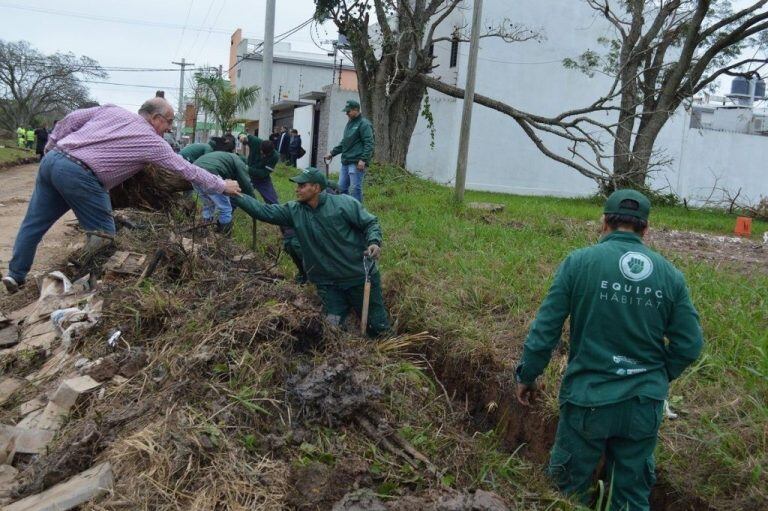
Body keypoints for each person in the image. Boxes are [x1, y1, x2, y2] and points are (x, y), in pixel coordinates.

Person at [514, 190, 704, 511]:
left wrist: (527, 375)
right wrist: (657, 375)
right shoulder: (671, 276)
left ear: (604, 223)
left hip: (588, 401)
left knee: (565, 495)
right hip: (643, 406)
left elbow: (545, 330)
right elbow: (690, 344)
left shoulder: (579, 264)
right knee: (630, 500)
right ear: (645, 230)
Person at [1, 98, 241, 294]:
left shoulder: (111, 110)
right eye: (168, 122)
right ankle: (89, 285)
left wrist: (50, 148)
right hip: (83, 175)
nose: (169, 128)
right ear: (155, 118)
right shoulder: (151, 141)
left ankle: (15, 275)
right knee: (104, 233)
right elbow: (185, 169)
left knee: (34, 223)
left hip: (54, 160)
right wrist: (222, 185)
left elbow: (70, 120)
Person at [233, 167, 390, 337]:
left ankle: (384, 355)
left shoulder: (344, 204)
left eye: (302, 185)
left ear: (316, 188)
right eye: (297, 185)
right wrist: (235, 195)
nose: (297, 189)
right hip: (328, 284)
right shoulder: (295, 211)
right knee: (333, 327)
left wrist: (374, 242)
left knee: (377, 327)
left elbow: (370, 223)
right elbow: (263, 212)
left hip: (358, 276)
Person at [191, 139, 255, 235]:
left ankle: (205, 231)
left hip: (194, 172)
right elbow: (246, 183)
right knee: (225, 208)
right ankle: (224, 236)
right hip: (210, 173)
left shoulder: (224, 156)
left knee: (209, 204)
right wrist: (254, 202)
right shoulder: (239, 161)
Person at [324, 100, 374, 203]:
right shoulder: (350, 124)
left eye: (348, 111)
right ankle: (344, 209)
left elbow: (369, 143)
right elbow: (345, 142)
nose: (346, 113)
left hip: (356, 162)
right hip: (346, 161)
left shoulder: (364, 124)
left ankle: (357, 212)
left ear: (356, 110)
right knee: (341, 188)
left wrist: (363, 159)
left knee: (355, 188)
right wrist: (332, 153)